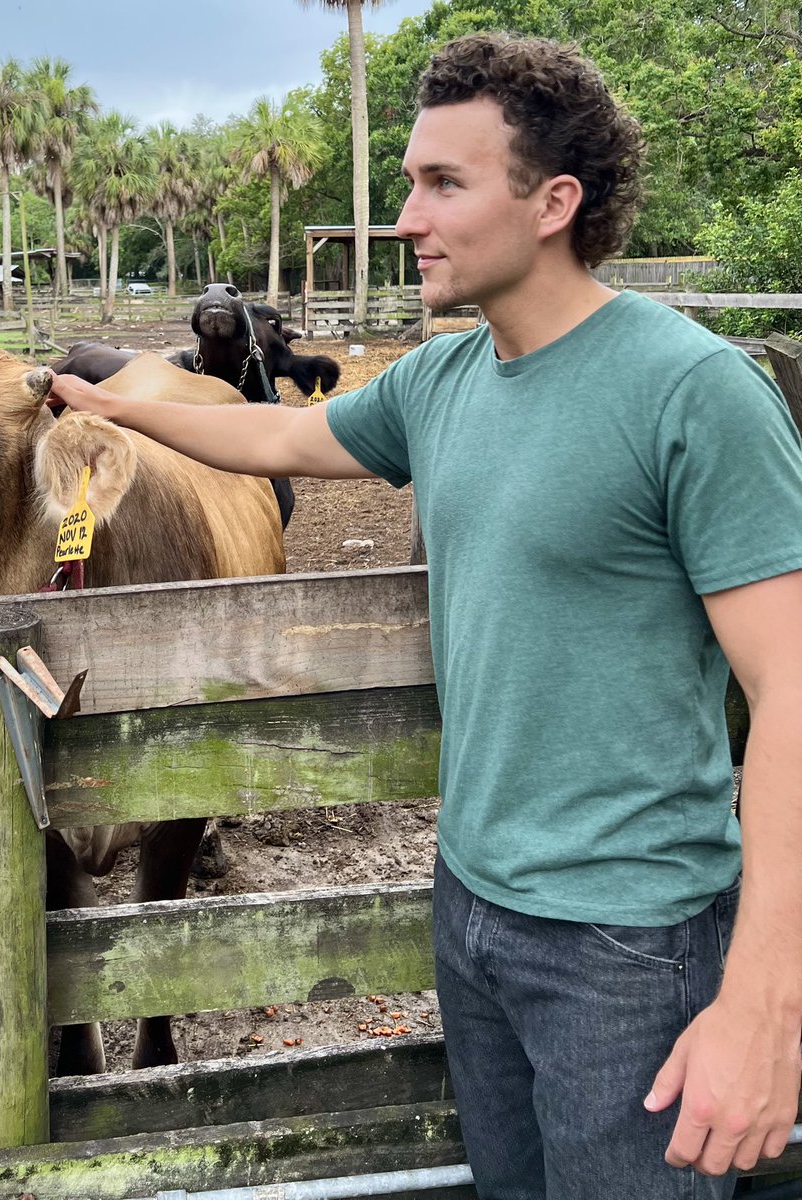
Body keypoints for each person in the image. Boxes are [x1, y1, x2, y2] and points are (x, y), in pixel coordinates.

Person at [48, 32, 802, 1198]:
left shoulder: (694, 392)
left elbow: (793, 692)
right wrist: (102, 404)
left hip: (632, 939)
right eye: (410, 180)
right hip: (472, 906)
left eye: (443, 183)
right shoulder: (441, 381)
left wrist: (762, 1005)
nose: (406, 217)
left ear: (553, 201)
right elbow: (274, 436)